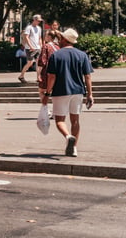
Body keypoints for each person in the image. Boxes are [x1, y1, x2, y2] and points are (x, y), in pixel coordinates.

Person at [44, 28, 93, 157]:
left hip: (61, 90)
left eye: (61, 38)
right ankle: (74, 148)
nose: (59, 40)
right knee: (75, 120)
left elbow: (51, 77)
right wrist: (90, 94)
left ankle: (68, 136)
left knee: (59, 120)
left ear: (65, 40)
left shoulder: (56, 55)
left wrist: (47, 93)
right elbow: (87, 76)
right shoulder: (82, 55)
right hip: (78, 91)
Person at [35, 24, 60, 99]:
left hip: (47, 71)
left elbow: (42, 61)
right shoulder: (57, 46)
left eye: (45, 36)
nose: (44, 37)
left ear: (49, 37)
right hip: (58, 71)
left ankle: (45, 108)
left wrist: (38, 74)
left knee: (42, 91)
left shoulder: (46, 46)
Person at [19, 14, 43, 83]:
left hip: (37, 47)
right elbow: (26, 37)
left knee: (38, 63)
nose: (39, 22)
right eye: (38, 21)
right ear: (34, 20)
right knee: (30, 62)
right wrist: (31, 46)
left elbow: (39, 38)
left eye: (39, 21)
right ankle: (21, 75)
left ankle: (38, 77)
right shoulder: (29, 27)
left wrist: (40, 46)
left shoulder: (39, 28)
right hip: (30, 48)